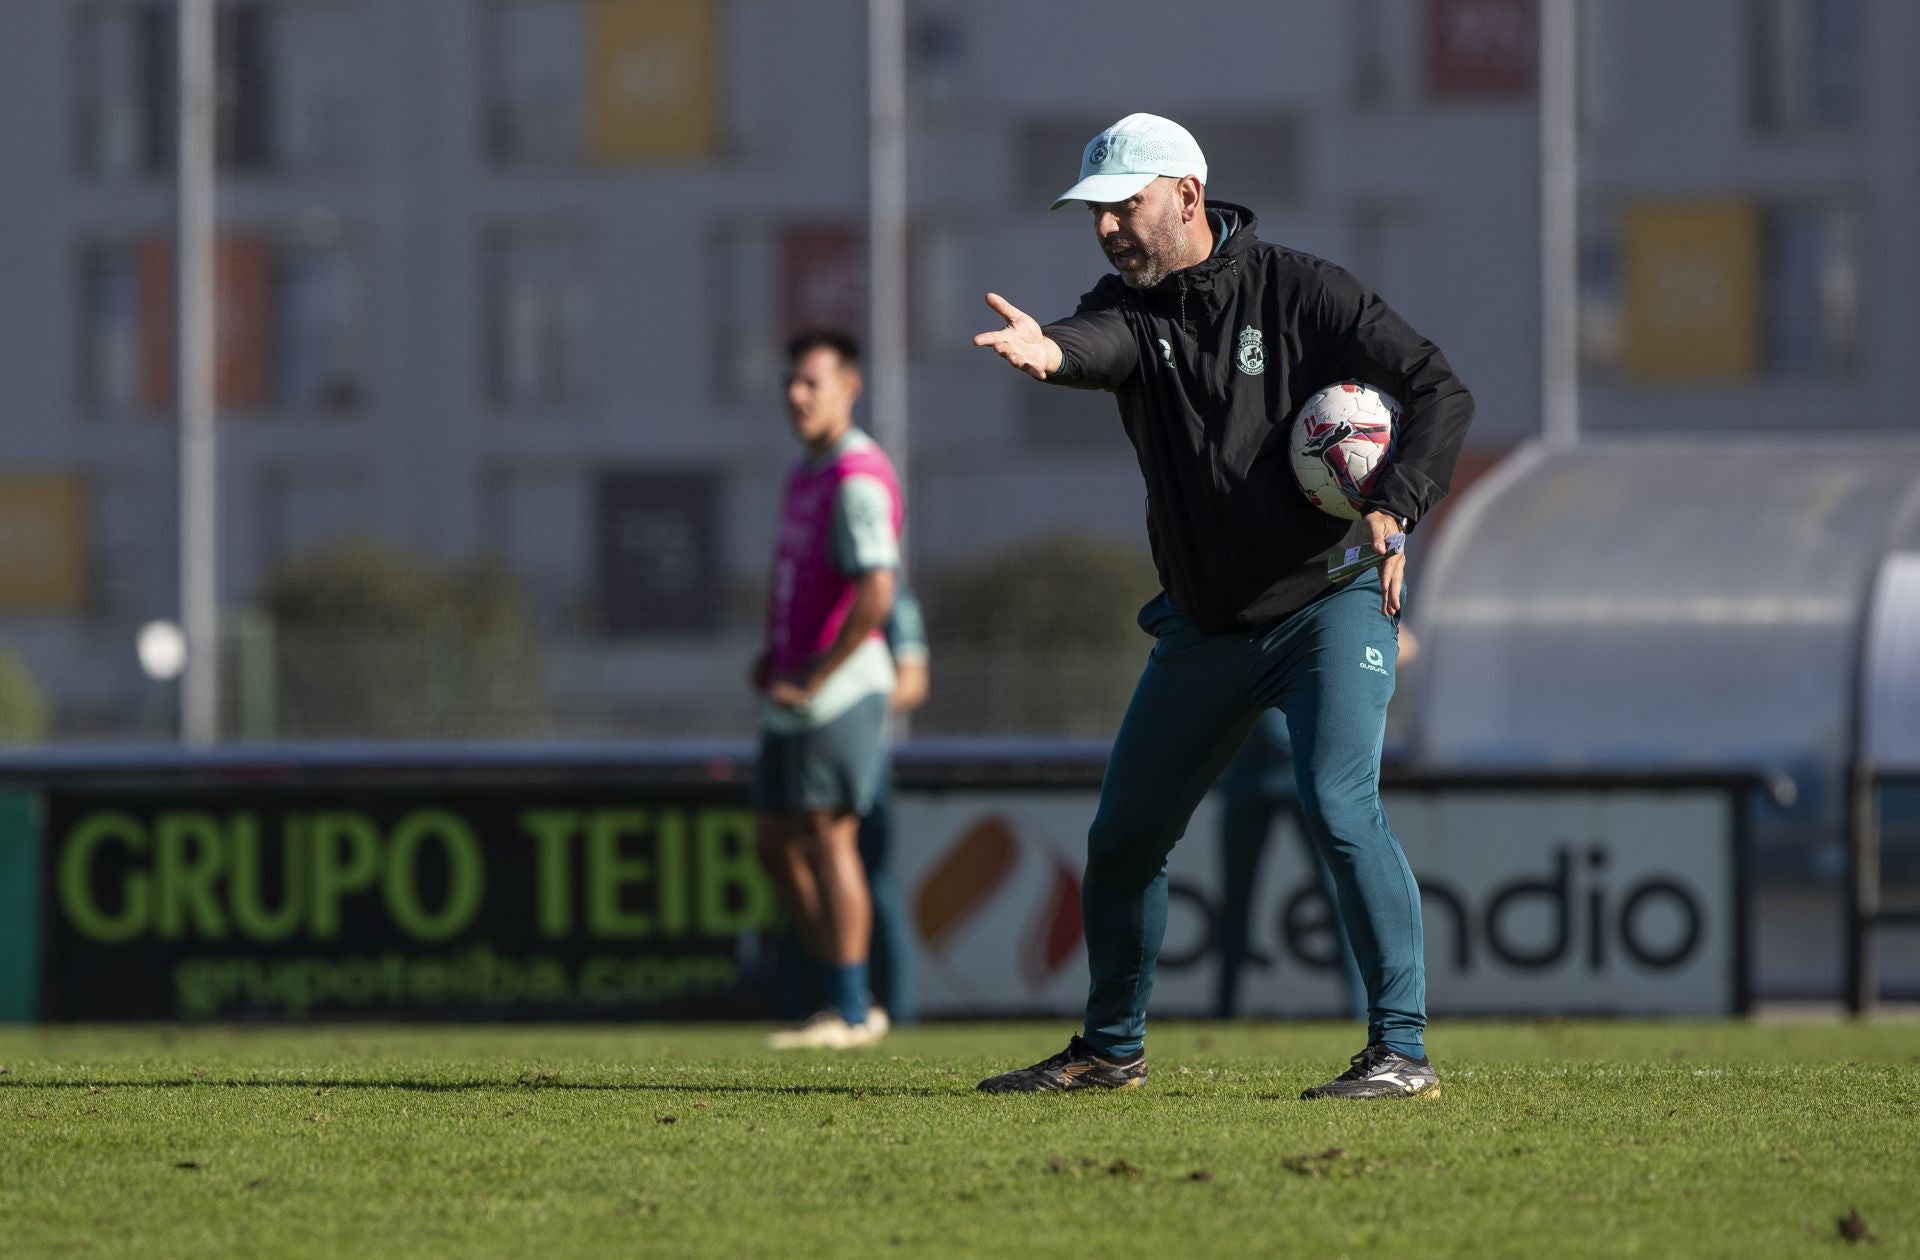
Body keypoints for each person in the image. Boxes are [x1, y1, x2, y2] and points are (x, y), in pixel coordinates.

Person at [970, 114, 1472, 1099]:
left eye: (1126, 205)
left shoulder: (1302, 289)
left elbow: (1436, 389)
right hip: (1207, 626)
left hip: (1331, 602)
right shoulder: (1127, 308)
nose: (1108, 226)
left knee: (1338, 803)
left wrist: (1393, 501)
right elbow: (1096, 342)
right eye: (1096, 212)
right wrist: (1051, 351)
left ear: (1187, 197)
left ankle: (1401, 1052)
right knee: (1122, 839)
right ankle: (1111, 1049)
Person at [753, 329, 903, 1050]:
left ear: (850, 387)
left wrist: (820, 670)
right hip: (793, 687)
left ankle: (850, 1008)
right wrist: (773, 654)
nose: (796, 395)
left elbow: (877, 589)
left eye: (812, 382)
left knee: (826, 833)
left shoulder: (857, 474)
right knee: (775, 840)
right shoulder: (807, 471)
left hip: (840, 688)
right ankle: (834, 996)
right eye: (792, 381)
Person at [1214, 627, 1418, 1023]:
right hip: (1245, 777)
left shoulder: (1320, 598)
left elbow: (1405, 643)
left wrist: (1344, 668)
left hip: (1305, 775)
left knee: (1337, 891)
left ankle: (1358, 1010)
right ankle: (1224, 1009)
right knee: (1235, 900)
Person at [770, 582, 929, 1026]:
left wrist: (840, 705)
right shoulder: (821, 593)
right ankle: (821, 1003)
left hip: (861, 754)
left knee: (870, 875)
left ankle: (888, 1011)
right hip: (808, 746)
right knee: (800, 860)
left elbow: (912, 683)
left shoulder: (888, 596)